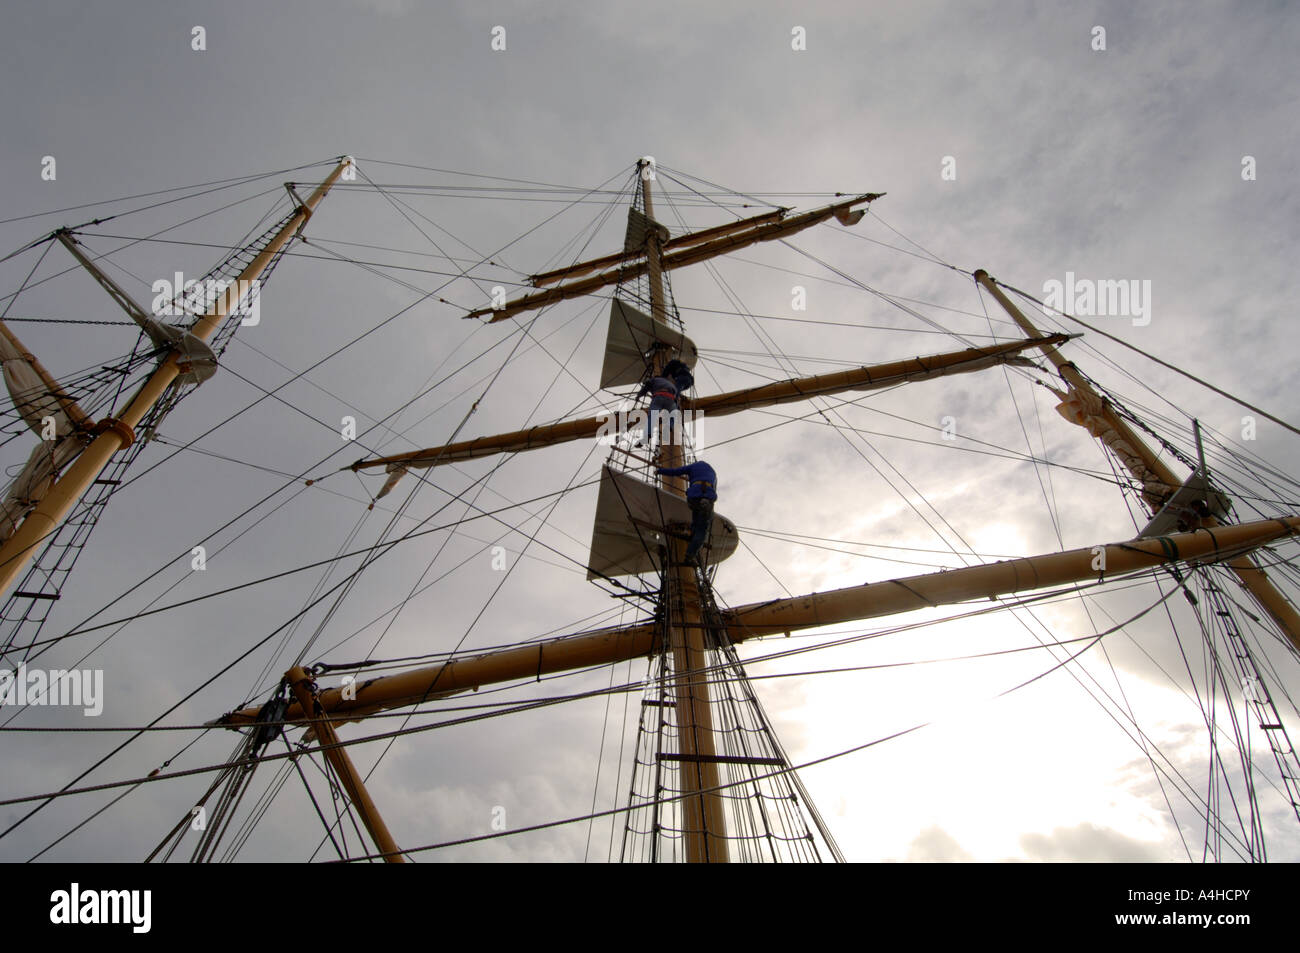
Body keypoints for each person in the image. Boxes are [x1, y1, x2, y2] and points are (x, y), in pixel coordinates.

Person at [655, 459, 717, 564]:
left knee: (696, 516)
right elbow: (714, 488)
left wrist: (659, 471)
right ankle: (689, 556)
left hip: (692, 497)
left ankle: (692, 532)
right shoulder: (712, 472)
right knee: (702, 530)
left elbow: (675, 471)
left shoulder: (692, 467)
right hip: (706, 497)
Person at [636, 374, 678, 446]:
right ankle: (668, 429)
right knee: (673, 416)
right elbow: (676, 398)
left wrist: (639, 395)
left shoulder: (654, 380)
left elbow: (646, 386)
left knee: (652, 417)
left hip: (659, 397)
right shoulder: (671, 384)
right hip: (671, 399)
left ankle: (647, 435)